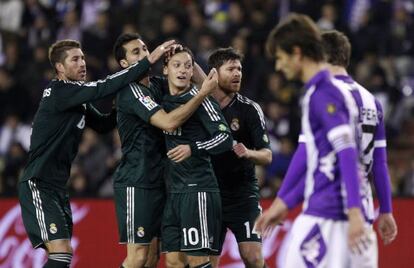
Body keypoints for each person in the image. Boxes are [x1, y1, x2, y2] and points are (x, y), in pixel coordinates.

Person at [18, 38, 175, 268]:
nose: (82, 63)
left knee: (61, 254)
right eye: (75, 59)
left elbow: (102, 125)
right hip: (38, 182)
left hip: (57, 186)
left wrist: (123, 104)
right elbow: (102, 87)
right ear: (60, 67)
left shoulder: (76, 100)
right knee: (61, 253)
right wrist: (146, 62)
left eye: (82, 58)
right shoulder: (60, 91)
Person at [254, 14, 372, 267]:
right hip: (329, 209)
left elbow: (347, 152)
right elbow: (321, 160)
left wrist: (354, 214)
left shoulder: (323, 94)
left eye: (280, 58)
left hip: (331, 214)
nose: (278, 67)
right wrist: (284, 203)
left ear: (296, 53)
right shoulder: (323, 90)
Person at [112, 33, 218, 268]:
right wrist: (201, 93)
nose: (145, 54)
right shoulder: (131, 91)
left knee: (152, 258)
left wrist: (185, 55)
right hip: (136, 181)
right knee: (138, 257)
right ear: (124, 64)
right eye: (136, 52)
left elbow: (207, 85)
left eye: (145, 49)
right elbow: (169, 122)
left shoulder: (157, 84)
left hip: (162, 181)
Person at [161, 47, 233, 268]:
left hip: (198, 188)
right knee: (173, 261)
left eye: (188, 66)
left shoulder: (202, 100)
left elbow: (225, 138)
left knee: (197, 260)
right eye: (177, 65)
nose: (183, 70)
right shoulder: (162, 101)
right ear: (165, 70)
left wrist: (194, 148)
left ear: (193, 71)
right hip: (173, 192)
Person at [207, 47, 272, 268]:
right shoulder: (202, 106)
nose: (237, 74)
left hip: (242, 196)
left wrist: (249, 152)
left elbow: (267, 155)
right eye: (231, 69)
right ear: (214, 74)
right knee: (208, 263)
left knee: (252, 256)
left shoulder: (249, 110)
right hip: (209, 195)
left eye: (240, 69)